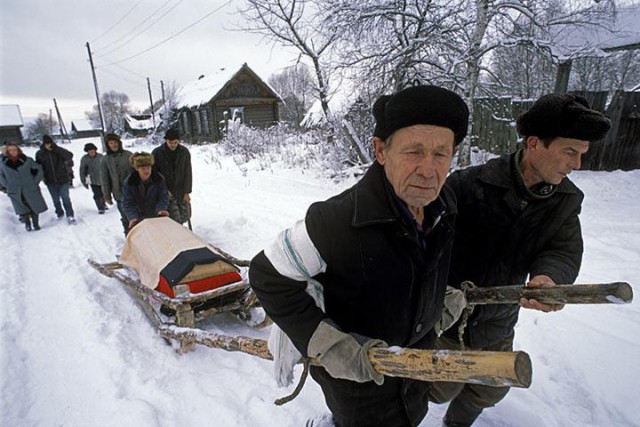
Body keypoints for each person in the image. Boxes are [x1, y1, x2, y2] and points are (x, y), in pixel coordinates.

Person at [249, 85, 470, 427]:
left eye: (441, 154)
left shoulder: (444, 208)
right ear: (381, 150)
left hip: (414, 373)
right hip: (357, 388)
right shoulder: (335, 221)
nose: (429, 170)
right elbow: (266, 274)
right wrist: (330, 345)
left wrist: (433, 305)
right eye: (414, 151)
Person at [428, 93, 612, 426]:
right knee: (439, 388)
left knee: (492, 387)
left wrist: (549, 278)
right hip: (446, 315)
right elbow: (425, 238)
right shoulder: (469, 184)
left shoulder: (566, 200)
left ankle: (455, 424)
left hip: (498, 318)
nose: (577, 164)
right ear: (534, 143)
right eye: (570, 151)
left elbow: (562, 248)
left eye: (582, 154)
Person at [0, 142, 48, 231]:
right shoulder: (2, 163)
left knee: (34, 206)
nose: (13, 152)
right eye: (10, 150)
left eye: (15, 150)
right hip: (14, 189)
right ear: (7, 151)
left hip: (29, 187)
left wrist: (35, 182)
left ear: (18, 150)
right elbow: (1, 176)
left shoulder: (27, 160)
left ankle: (35, 224)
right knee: (22, 207)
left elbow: (39, 170)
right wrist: (6, 185)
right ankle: (27, 224)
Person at [151, 128, 192, 224]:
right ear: (166, 141)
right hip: (165, 191)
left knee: (185, 214)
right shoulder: (157, 153)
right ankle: (175, 235)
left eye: (175, 142)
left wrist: (187, 191)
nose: (173, 145)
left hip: (180, 189)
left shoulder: (184, 152)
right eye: (170, 142)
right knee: (173, 217)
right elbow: (154, 174)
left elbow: (188, 172)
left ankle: (181, 232)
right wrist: (164, 190)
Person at [122, 152, 169, 230]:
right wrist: (133, 217)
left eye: (148, 167)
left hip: (155, 213)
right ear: (137, 169)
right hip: (138, 215)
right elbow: (128, 202)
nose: (146, 171)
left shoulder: (159, 179)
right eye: (143, 168)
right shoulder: (129, 182)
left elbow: (163, 196)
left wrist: (161, 209)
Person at [35, 135, 76, 224]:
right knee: (55, 199)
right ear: (44, 144)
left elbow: (70, 155)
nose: (49, 145)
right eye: (47, 144)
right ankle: (59, 213)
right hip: (50, 181)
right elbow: (38, 166)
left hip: (63, 179)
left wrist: (57, 149)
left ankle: (70, 215)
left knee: (66, 198)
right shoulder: (40, 154)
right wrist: (41, 177)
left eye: (50, 143)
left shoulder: (58, 151)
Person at [101, 133, 133, 234]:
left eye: (115, 142)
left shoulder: (128, 155)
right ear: (108, 145)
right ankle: (128, 237)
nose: (114, 145)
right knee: (125, 217)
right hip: (119, 194)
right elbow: (104, 179)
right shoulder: (105, 159)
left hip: (134, 192)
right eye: (111, 143)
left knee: (137, 217)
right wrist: (107, 196)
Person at [79, 142, 107, 214]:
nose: (91, 152)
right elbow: (82, 170)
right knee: (97, 194)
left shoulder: (101, 157)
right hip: (92, 180)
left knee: (103, 193)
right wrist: (84, 180)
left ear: (95, 150)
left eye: (92, 150)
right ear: (87, 152)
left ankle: (103, 204)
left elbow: (106, 167)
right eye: (89, 151)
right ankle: (100, 208)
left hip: (102, 179)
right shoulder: (85, 159)